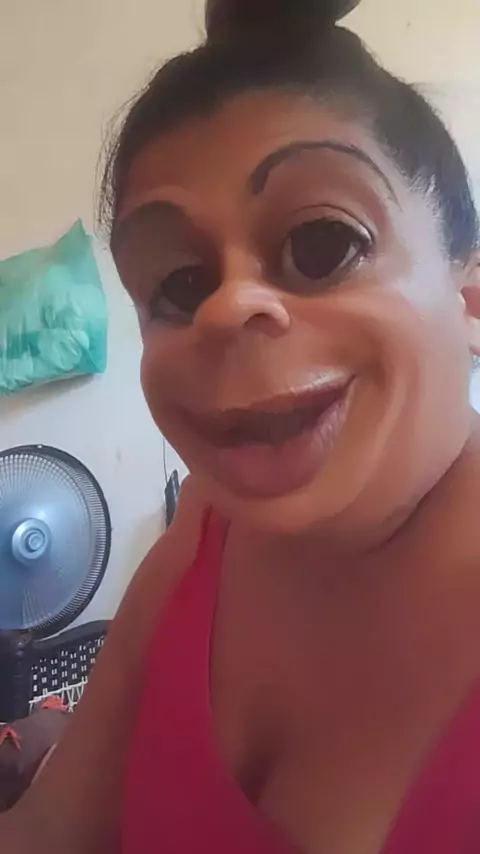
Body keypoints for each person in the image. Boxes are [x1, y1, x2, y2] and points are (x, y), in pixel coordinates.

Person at [3, 0, 480, 851]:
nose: (225, 309)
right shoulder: (204, 528)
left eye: (323, 244)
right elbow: (51, 830)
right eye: (178, 286)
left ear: (470, 299)